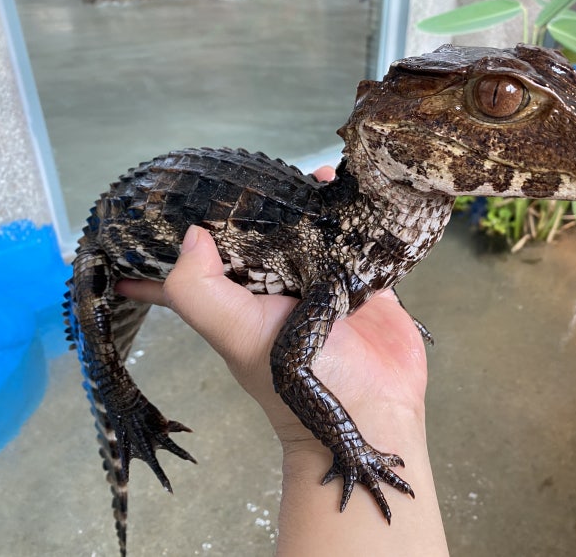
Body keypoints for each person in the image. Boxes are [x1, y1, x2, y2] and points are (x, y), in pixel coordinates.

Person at [116, 167, 449, 556]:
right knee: (102, 348)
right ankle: (119, 406)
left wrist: (381, 405)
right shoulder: (344, 247)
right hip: (128, 217)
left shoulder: (364, 238)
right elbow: (291, 366)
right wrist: (350, 445)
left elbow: (366, 262)